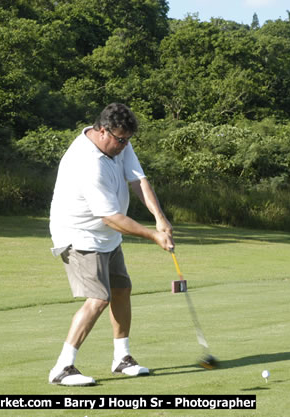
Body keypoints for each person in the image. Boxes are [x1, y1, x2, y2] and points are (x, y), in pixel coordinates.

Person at [48, 103, 175, 386]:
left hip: (106, 235)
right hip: (80, 234)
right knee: (99, 298)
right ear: (102, 130)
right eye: (121, 140)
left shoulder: (118, 144)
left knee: (121, 289)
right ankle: (62, 367)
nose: (125, 145)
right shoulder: (87, 162)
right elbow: (110, 217)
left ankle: (122, 358)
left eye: (128, 140)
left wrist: (160, 219)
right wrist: (153, 236)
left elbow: (138, 180)